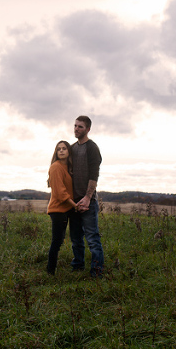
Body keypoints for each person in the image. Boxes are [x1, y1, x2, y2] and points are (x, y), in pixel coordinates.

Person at [69, 115, 105, 277]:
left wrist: (88, 198)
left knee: (92, 239)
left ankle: (96, 272)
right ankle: (77, 266)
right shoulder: (72, 148)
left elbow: (94, 175)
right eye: (75, 126)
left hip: (88, 202)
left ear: (88, 129)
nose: (76, 129)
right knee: (76, 238)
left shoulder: (92, 148)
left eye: (80, 127)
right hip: (74, 202)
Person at [46, 140, 77, 274]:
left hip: (68, 208)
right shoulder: (56, 167)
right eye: (59, 149)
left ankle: (77, 266)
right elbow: (59, 192)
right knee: (57, 241)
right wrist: (75, 205)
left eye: (64, 148)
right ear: (56, 152)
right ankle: (50, 271)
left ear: (69, 151)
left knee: (74, 238)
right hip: (58, 209)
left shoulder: (69, 167)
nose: (61, 151)